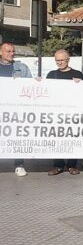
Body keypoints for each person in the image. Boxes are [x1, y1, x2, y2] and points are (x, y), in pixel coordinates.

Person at [46, 49, 83, 176]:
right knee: (56, 139)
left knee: (73, 138)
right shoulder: (51, 74)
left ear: (68, 60)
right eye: (57, 60)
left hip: (73, 113)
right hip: (56, 113)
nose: (59, 62)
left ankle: (72, 165)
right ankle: (58, 165)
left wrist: (80, 84)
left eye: (62, 60)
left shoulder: (78, 74)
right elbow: (46, 91)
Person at [1, 42, 32, 177]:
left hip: (15, 110)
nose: (11, 53)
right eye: (8, 51)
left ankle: (19, 165)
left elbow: (30, 86)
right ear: (1, 52)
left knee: (17, 136)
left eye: (13, 51)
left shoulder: (21, 67)